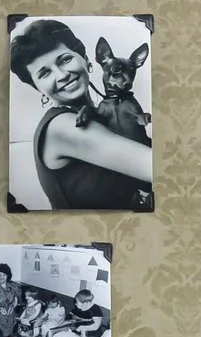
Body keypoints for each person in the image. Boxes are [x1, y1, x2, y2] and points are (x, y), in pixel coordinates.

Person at [10, 19, 154, 211]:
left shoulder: (93, 114)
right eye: (44, 73)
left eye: (65, 60)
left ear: (85, 58)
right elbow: (162, 169)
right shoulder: (64, 127)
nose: (61, 75)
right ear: (38, 88)